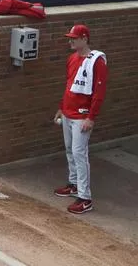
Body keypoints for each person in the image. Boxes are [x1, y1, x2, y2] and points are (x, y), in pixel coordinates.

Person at [53, 24, 108, 214]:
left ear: (84, 39)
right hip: (68, 113)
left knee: (79, 153)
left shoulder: (97, 62)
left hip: (82, 117)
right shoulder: (71, 58)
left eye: (74, 38)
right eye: (70, 38)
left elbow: (99, 93)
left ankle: (85, 198)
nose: (70, 41)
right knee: (70, 150)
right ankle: (74, 184)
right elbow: (68, 85)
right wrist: (61, 107)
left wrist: (91, 118)